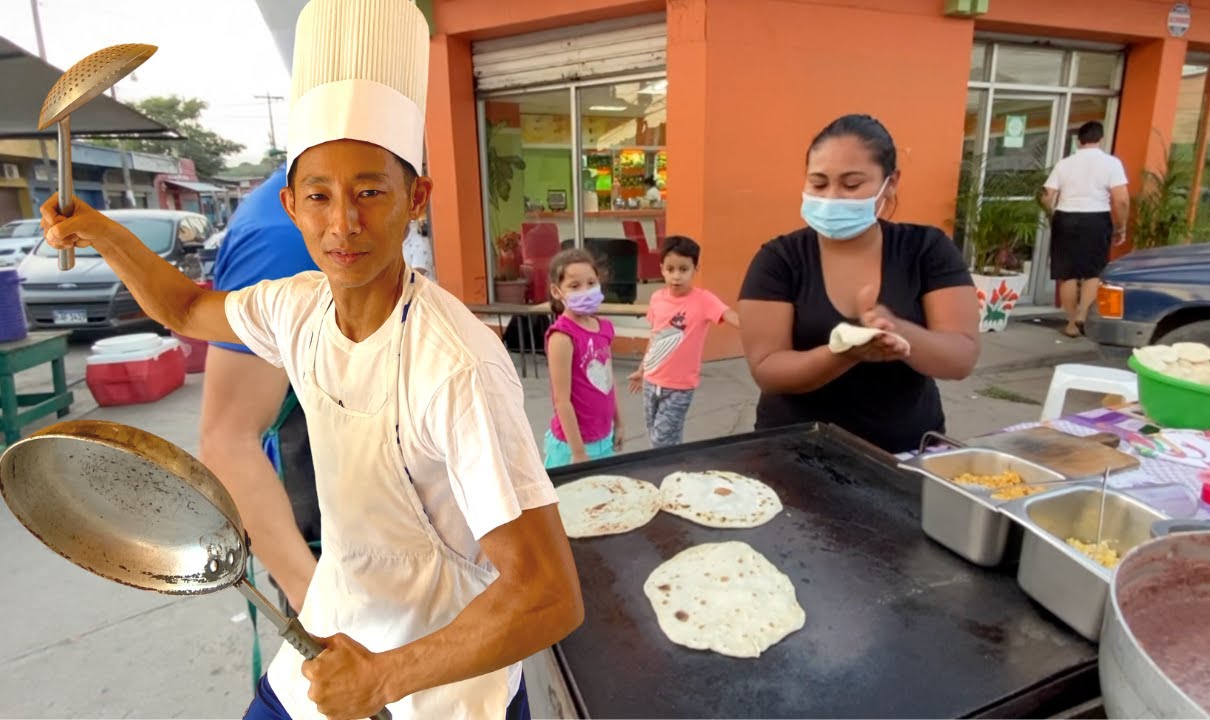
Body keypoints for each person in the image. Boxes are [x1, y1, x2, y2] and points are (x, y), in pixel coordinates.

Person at [41, 1, 582, 718]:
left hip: (443, 681)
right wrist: (103, 232)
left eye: (370, 194)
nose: (344, 225)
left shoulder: (458, 368)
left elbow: (548, 593)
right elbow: (184, 308)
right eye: (321, 197)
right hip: (332, 636)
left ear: (415, 198)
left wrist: (385, 678)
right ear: (292, 205)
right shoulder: (294, 307)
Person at [737, 114, 979, 455]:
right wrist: (845, 353)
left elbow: (960, 358)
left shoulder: (926, 249)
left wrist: (896, 330)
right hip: (795, 452)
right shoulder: (779, 260)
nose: (833, 197)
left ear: (890, 182)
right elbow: (768, 369)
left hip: (905, 452)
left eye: (851, 185)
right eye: (819, 184)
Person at [200, 165, 321, 615]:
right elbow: (228, 439)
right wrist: (315, 602)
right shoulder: (284, 236)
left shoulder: (353, 204)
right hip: (336, 553)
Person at [627, 235, 739, 447]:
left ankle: (664, 473)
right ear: (661, 269)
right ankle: (674, 472)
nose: (676, 276)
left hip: (679, 387)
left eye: (683, 269)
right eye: (670, 269)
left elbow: (731, 316)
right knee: (659, 437)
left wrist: (761, 327)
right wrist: (642, 370)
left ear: (696, 268)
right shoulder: (657, 298)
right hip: (651, 382)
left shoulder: (704, 300)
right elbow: (656, 337)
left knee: (661, 441)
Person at [1040, 121, 1130, 338]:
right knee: (1093, 272)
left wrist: (1053, 213)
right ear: (1101, 139)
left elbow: (1046, 195)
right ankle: (1082, 315)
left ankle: (1071, 324)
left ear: (1078, 141)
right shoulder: (1112, 163)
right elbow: (1121, 200)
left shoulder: (1065, 164)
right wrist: (1121, 226)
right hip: (1096, 219)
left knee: (1067, 273)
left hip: (1066, 217)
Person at [544, 248, 623, 468]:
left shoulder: (604, 328)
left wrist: (619, 423)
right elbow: (561, 399)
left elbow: (607, 380)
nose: (586, 291)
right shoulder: (562, 336)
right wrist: (578, 453)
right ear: (557, 291)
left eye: (591, 283)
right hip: (572, 447)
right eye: (574, 286)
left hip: (603, 439)